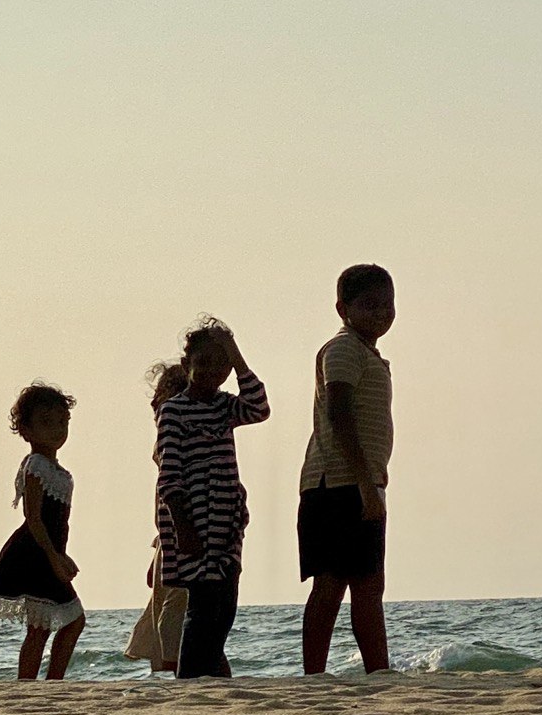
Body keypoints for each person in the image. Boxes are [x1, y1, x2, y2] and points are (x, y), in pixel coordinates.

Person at [156, 316, 270, 679]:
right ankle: (191, 680)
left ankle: (210, 676)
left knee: (225, 604)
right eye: (203, 363)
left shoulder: (225, 406)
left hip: (226, 522)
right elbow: (169, 475)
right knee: (203, 605)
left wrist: (237, 356)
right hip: (193, 521)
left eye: (221, 365)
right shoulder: (174, 411)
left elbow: (259, 408)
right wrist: (183, 528)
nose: (211, 372)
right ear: (187, 364)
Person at [298, 264, 396, 675]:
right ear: (343, 309)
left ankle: (377, 671)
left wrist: (371, 484)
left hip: (359, 483)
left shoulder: (367, 354)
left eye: (387, 305)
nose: (381, 313)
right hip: (337, 485)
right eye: (369, 305)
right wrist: (364, 484)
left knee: (368, 584)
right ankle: (315, 674)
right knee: (333, 584)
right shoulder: (342, 349)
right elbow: (339, 415)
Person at [0, 384, 85, 680]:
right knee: (59, 623)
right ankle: (33, 684)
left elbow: (60, 523)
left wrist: (62, 554)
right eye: (46, 423)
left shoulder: (58, 471)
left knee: (52, 625)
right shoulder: (36, 465)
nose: (57, 430)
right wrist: (54, 557)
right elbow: (34, 518)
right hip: (34, 553)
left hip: (48, 551)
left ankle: (46, 683)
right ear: (26, 430)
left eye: (62, 422)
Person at [124, 362, 190, 674]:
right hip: (169, 534)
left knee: (174, 609)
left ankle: (173, 669)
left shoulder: (184, 434)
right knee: (166, 609)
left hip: (179, 531)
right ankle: (169, 670)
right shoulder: (168, 436)